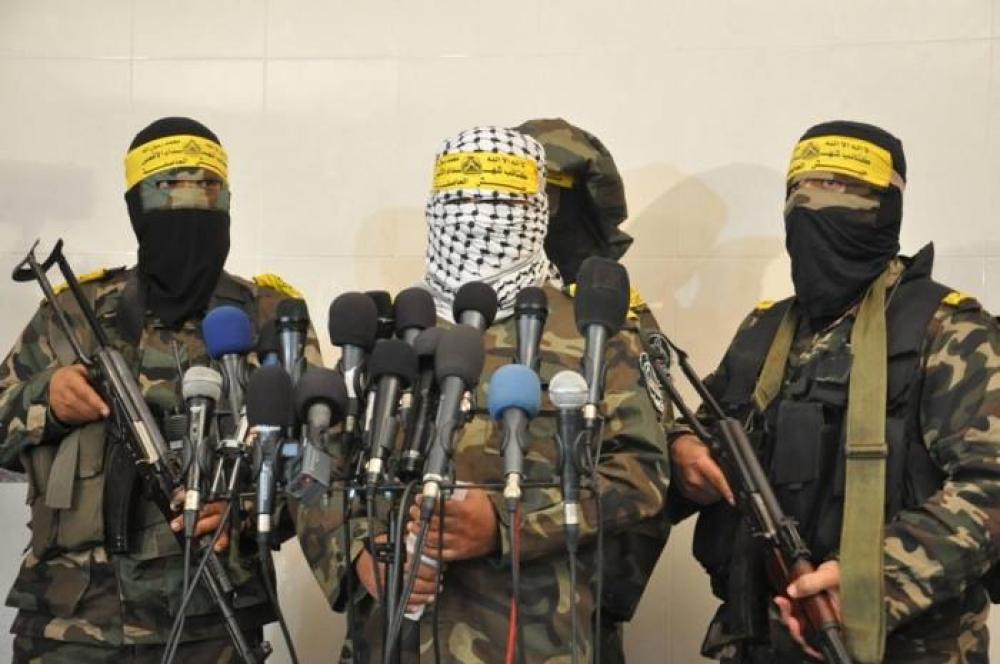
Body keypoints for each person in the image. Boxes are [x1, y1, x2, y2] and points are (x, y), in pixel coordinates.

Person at [295, 126, 670, 663]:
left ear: (538, 212)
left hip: (538, 641)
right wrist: (356, 555)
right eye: (459, 202)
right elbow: (315, 469)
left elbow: (641, 477)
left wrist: (505, 525)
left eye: (501, 204)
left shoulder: (594, 334)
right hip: (392, 643)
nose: (477, 219)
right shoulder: (388, 334)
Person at [669, 120, 1000, 662]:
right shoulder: (765, 330)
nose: (812, 211)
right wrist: (683, 450)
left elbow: (990, 486)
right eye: (800, 193)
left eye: (842, 194)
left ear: (887, 210)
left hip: (907, 647)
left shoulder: (949, 331)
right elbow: (700, 424)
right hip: (761, 639)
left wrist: (872, 581)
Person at [0, 116, 321, 662]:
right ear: (135, 206)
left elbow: (320, 465)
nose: (188, 210)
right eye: (169, 189)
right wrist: (45, 400)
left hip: (211, 619)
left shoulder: (271, 317)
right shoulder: (73, 313)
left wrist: (244, 513)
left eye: (207, 189)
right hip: (71, 623)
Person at [518, 116, 672, 664]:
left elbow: (651, 466)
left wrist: (607, 596)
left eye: (555, 199)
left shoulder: (618, 321)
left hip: (580, 596)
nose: (542, 215)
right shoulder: (462, 311)